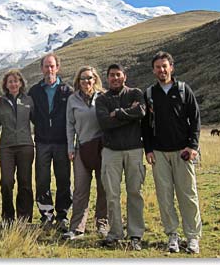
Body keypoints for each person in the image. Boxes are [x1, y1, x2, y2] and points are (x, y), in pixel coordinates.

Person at [142, 51, 202, 254]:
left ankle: (192, 237)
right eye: (158, 67)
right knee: (164, 196)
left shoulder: (184, 90)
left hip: (182, 152)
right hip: (159, 152)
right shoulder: (150, 94)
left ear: (171, 68)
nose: (161, 70)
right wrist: (148, 149)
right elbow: (145, 126)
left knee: (188, 195)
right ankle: (172, 236)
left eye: (165, 66)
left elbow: (195, 119)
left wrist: (192, 147)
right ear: (153, 70)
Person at [95, 63, 146, 250]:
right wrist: (128, 115)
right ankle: (115, 233)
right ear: (107, 78)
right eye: (111, 75)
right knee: (112, 194)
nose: (115, 78)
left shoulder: (135, 93)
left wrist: (117, 113)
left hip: (134, 149)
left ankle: (135, 234)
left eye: (118, 74)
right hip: (111, 152)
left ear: (125, 76)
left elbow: (141, 111)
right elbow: (104, 123)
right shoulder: (101, 99)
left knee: (135, 192)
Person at [28, 53, 73, 231]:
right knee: (42, 179)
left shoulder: (67, 91)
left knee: (63, 179)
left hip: (62, 142)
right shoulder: (34, 91)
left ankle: (63, 215)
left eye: (52, 66)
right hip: (42, 142)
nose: (49, 69)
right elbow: (30, 113)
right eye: (46, 66)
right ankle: (46, 215)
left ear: (57, 68)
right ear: (42, 69)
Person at [63, 66, 108, 240]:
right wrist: (70, 147)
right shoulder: (72, 100)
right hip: (82, 148)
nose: (86, 82)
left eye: (89, 78)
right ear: (78, 81)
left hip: (102, 148)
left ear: (95, 79)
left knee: (104, 188)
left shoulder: (103, 97)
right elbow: (70, 125)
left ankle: (102, 224)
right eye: (83, 79)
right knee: (80, 189)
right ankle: (77, 228)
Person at [0, 69, 35, 225]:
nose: (14, 84)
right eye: (10, 81)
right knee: (6, 182)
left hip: (26, 146)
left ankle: (24, 218)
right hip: (6, 147)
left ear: (21, 83)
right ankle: (7, 217)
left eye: (16, 81)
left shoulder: (29, 101)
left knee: (25, 182)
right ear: (5, 85)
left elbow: (38, 122)